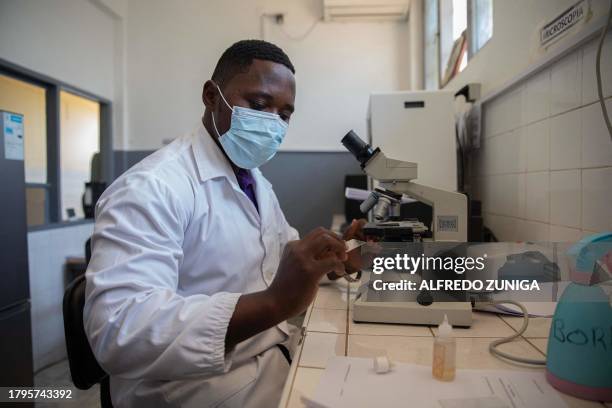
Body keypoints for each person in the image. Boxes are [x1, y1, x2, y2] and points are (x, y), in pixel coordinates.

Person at [84, 39, 363, 407]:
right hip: (193, 390)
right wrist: (273, 303)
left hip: (266, 362)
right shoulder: (151, 187)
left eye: (285, 114)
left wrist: (335, 259)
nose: (272, 122)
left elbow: (284, 257)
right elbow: (120, 332)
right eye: (260, 104)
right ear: (212, 97)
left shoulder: (254, 180)